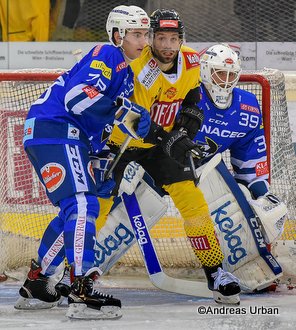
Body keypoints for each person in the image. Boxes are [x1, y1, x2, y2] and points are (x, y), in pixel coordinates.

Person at [15, 5, 151, 320]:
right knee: (83, 206)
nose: (143, 41)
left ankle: (37, 284)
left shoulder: (124, 74)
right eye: (136, 34)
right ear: (118, 35)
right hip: (56, 129)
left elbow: (100, 123)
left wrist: (124, 127)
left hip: (54, 133)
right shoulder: (108, 53)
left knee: (73, 210)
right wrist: (123, 111)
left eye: (145, 34)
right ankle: (81, 289)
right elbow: (76, 97)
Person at [99, 9, 241, 305]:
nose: (166, 45)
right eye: (160, 37)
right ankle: (70, 273)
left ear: (181, 39)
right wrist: (171, 140)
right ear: (150, 37)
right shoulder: (138, 65)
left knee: (193, 202)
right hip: (122, 144)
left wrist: (187, 125)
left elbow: (193, 99)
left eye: (172, 38)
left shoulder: (190, 60)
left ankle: (215, 272)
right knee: (96, 206)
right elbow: (136, 121)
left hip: (158, 147)